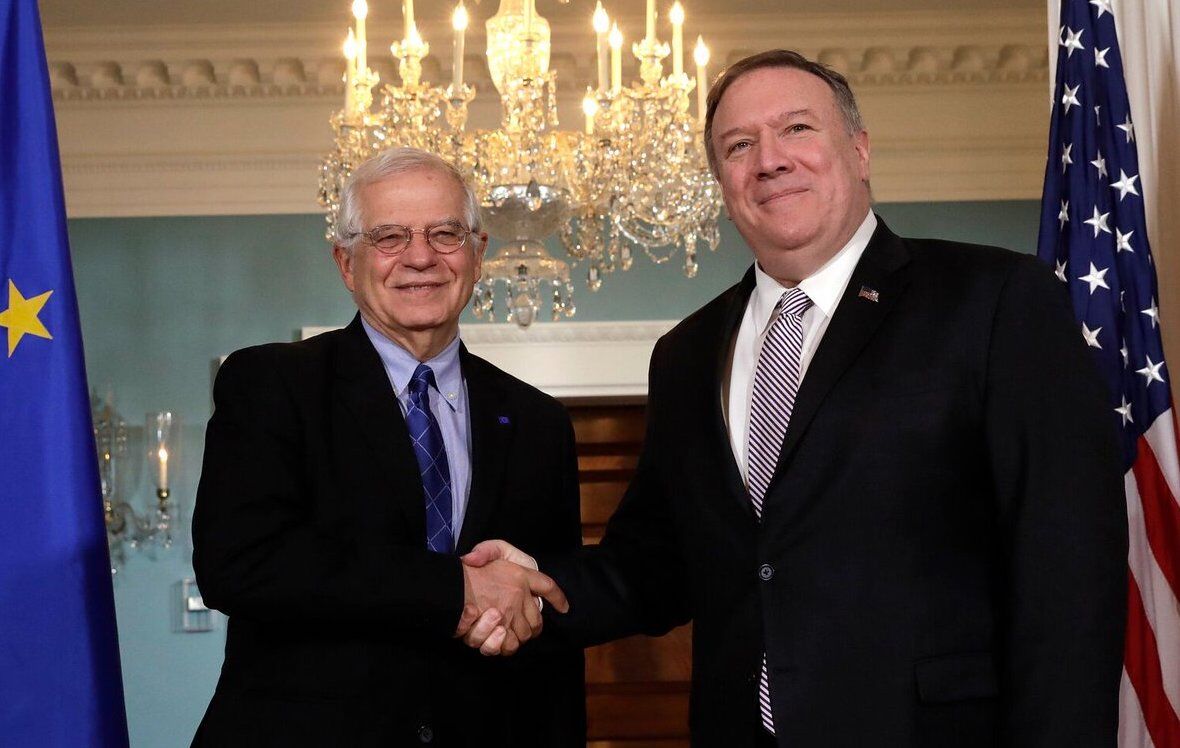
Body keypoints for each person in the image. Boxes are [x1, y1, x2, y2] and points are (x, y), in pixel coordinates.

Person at [461, 50, 1127, 746]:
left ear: (860, 150)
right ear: (721, 182)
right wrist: (531, 587)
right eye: (738, 146)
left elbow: (1069, 572)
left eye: (797, 129)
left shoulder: (995, 301)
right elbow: (657, 562)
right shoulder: (686, 354)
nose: (769, 161)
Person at [190, 147, 585, 747]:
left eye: (445, 234)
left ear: (478, 255)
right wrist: (454, 589)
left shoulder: (539, 422)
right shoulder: (271, 384)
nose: (420, 257)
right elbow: (240, 565)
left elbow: (548, 618)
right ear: (346, 263)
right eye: (389, 237)